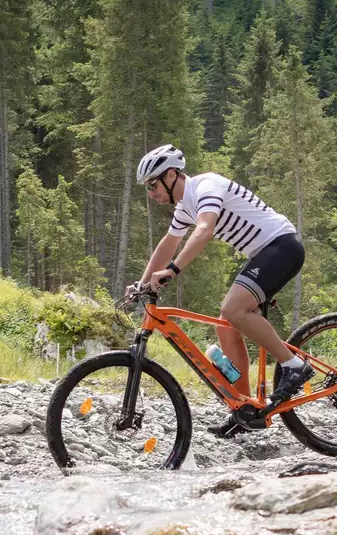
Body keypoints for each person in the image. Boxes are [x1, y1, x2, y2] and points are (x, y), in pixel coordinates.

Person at [129, 143, 312, 437]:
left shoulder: (206, 185)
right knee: (225, 326)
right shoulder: (183, 207)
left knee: (232, 308)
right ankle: (244, 409)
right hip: (263, 253)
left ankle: (293, 365)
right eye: (148, 188)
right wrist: (141, 283)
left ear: (171, 175)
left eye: (153, 185)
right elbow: (168, 243)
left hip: (281, 246)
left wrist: (173, 270)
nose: (151, 193)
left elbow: (205, 229)